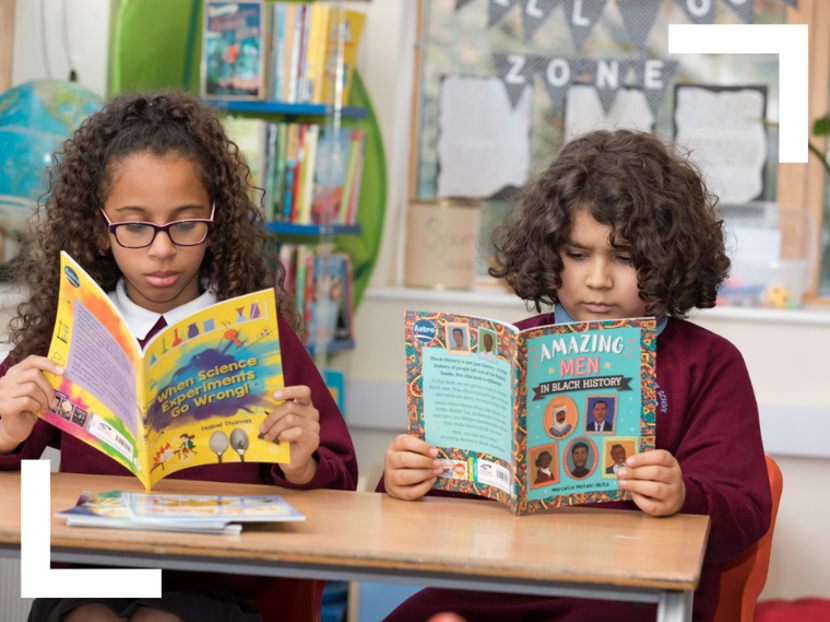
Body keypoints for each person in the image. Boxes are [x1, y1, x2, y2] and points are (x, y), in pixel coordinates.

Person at [377, 129, 771, 622]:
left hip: (631, 590)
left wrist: (683, 493)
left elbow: (748, 511)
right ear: (550, 250)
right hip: (503, 581)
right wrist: (402, 479)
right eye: (577, 254)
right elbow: (437, 497)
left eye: (625, 258)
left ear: (669, 256)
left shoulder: (708, 363)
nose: (598, 279)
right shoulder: (507, 350)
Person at [0, 91, 358, 622]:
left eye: (185, 224)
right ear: (101, 230)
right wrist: (7, 432)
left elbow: (342, 477)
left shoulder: (258, 335)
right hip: (89, 574)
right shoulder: (71, 328)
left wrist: (301, 464)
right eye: (135, 226)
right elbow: (11, 463)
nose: (162, 249)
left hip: (209, 583)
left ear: (216, 222)